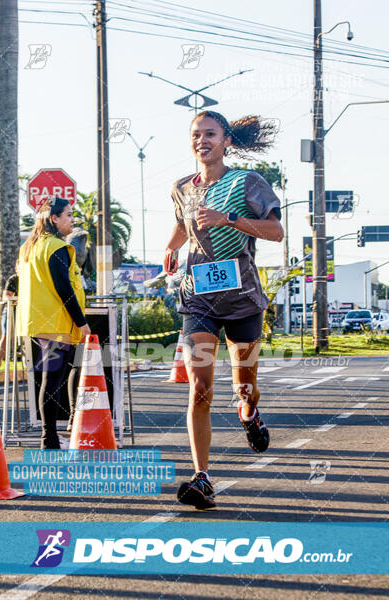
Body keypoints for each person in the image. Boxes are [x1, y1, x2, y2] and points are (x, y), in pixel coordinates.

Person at [165, 111, 283, 510]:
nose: (202, 140)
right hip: (197, 298)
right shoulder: (182, 188)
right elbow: (184, 224)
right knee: (199, 389)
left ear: (226, 140)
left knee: (244, 386)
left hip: (243, 301)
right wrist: (171, 245)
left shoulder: (247, 183)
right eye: (196, 134)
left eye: (210, 134)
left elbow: (275, 232)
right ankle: (202, 478)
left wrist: (228, 219)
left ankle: (249, 414)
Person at [16, 197, 90, 449]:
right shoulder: (57, 246)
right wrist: (81, 323)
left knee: (48, 379)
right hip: (56, 322)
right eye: (68, 215)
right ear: (54, 218)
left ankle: (49, 436)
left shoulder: (29, 247)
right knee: (52, 380)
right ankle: (49, 438)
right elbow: (63, 288)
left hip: (35, 322)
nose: (72, 219)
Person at [0, 270, 19, 366]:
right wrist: (15, 299)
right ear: (16, 268)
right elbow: (5, 296)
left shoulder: (31, 278)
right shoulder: (13, 279)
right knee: (6, 335)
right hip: (11, 310)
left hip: (25, 311)